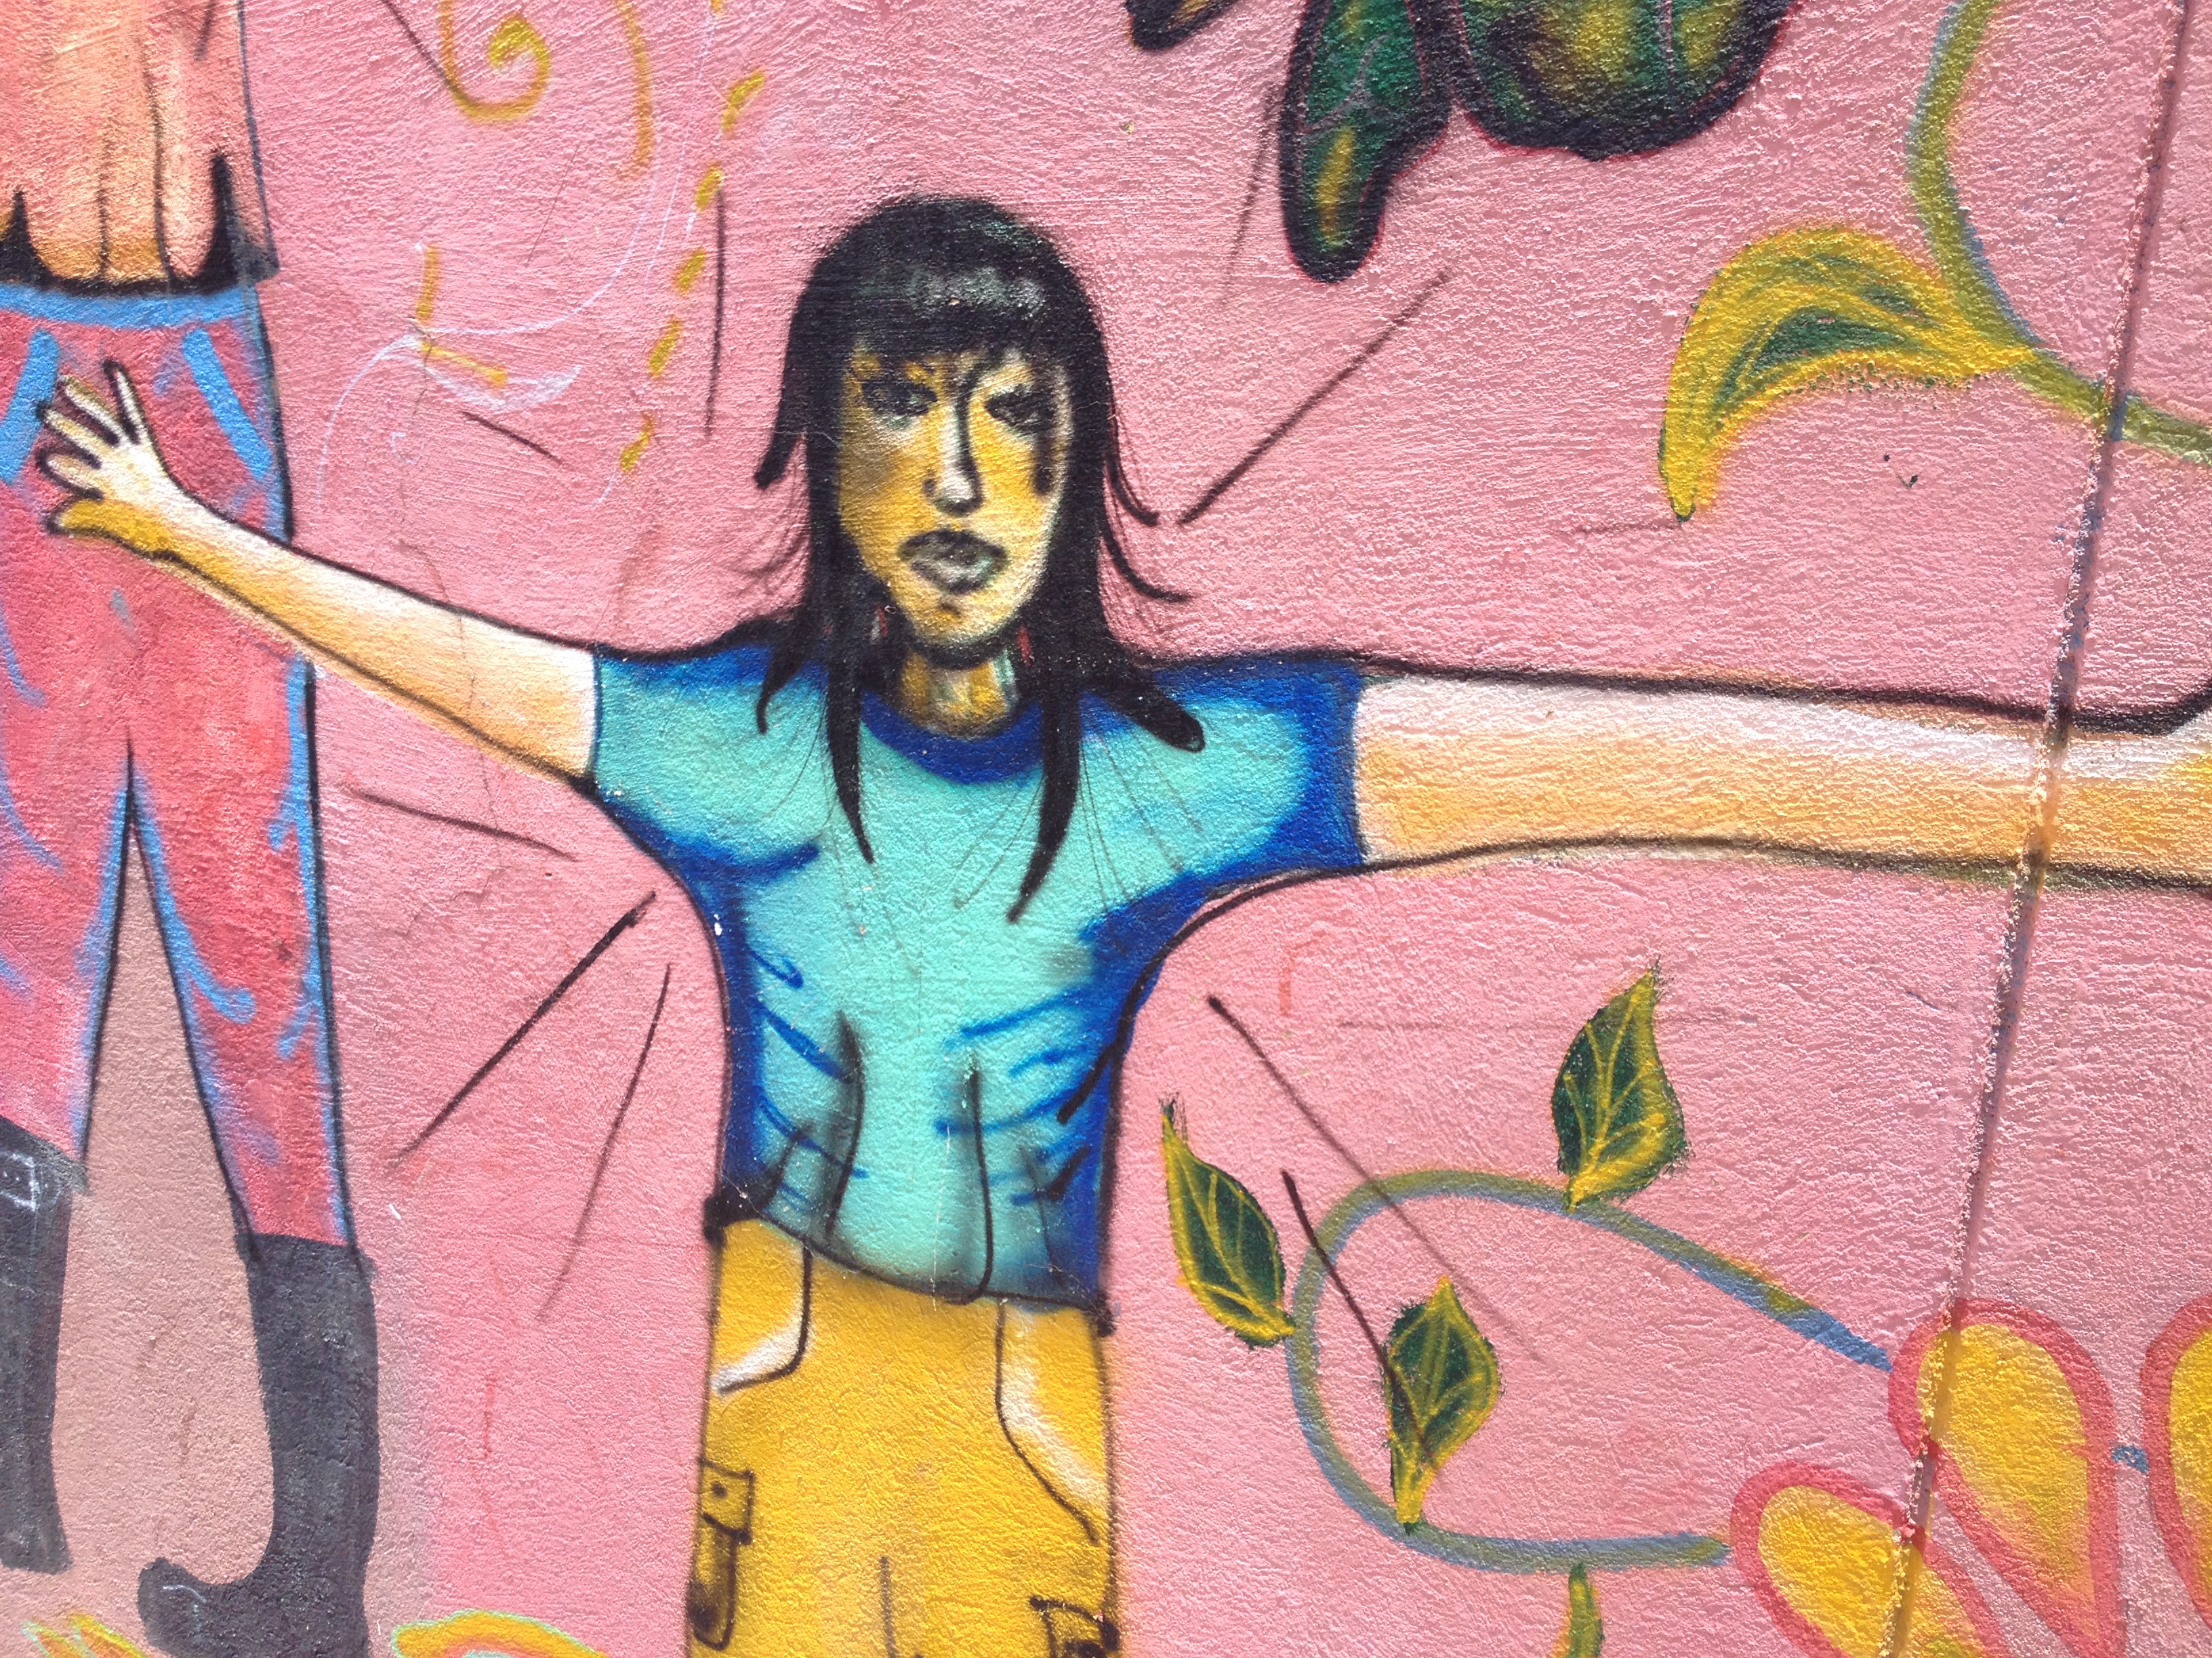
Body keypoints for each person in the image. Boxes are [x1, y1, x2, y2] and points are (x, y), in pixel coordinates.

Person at [37, 195, 2212, 1656]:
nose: (962, 480)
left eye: (1018, 417)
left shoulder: (1186, 769)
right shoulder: (742, 750)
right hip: (783, 1390)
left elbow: (1629, 758)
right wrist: (176, 533)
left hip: (1022, 1416)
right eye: (905, 408)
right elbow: (462, 667)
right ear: (823, 453)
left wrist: (2115, 804)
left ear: (1082, 468)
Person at [0, 5, 377, 1657]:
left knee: (247, 959)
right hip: (59, 331)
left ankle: (315, 1573)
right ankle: (16, 1474)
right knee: (32, 936)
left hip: (172, 333)